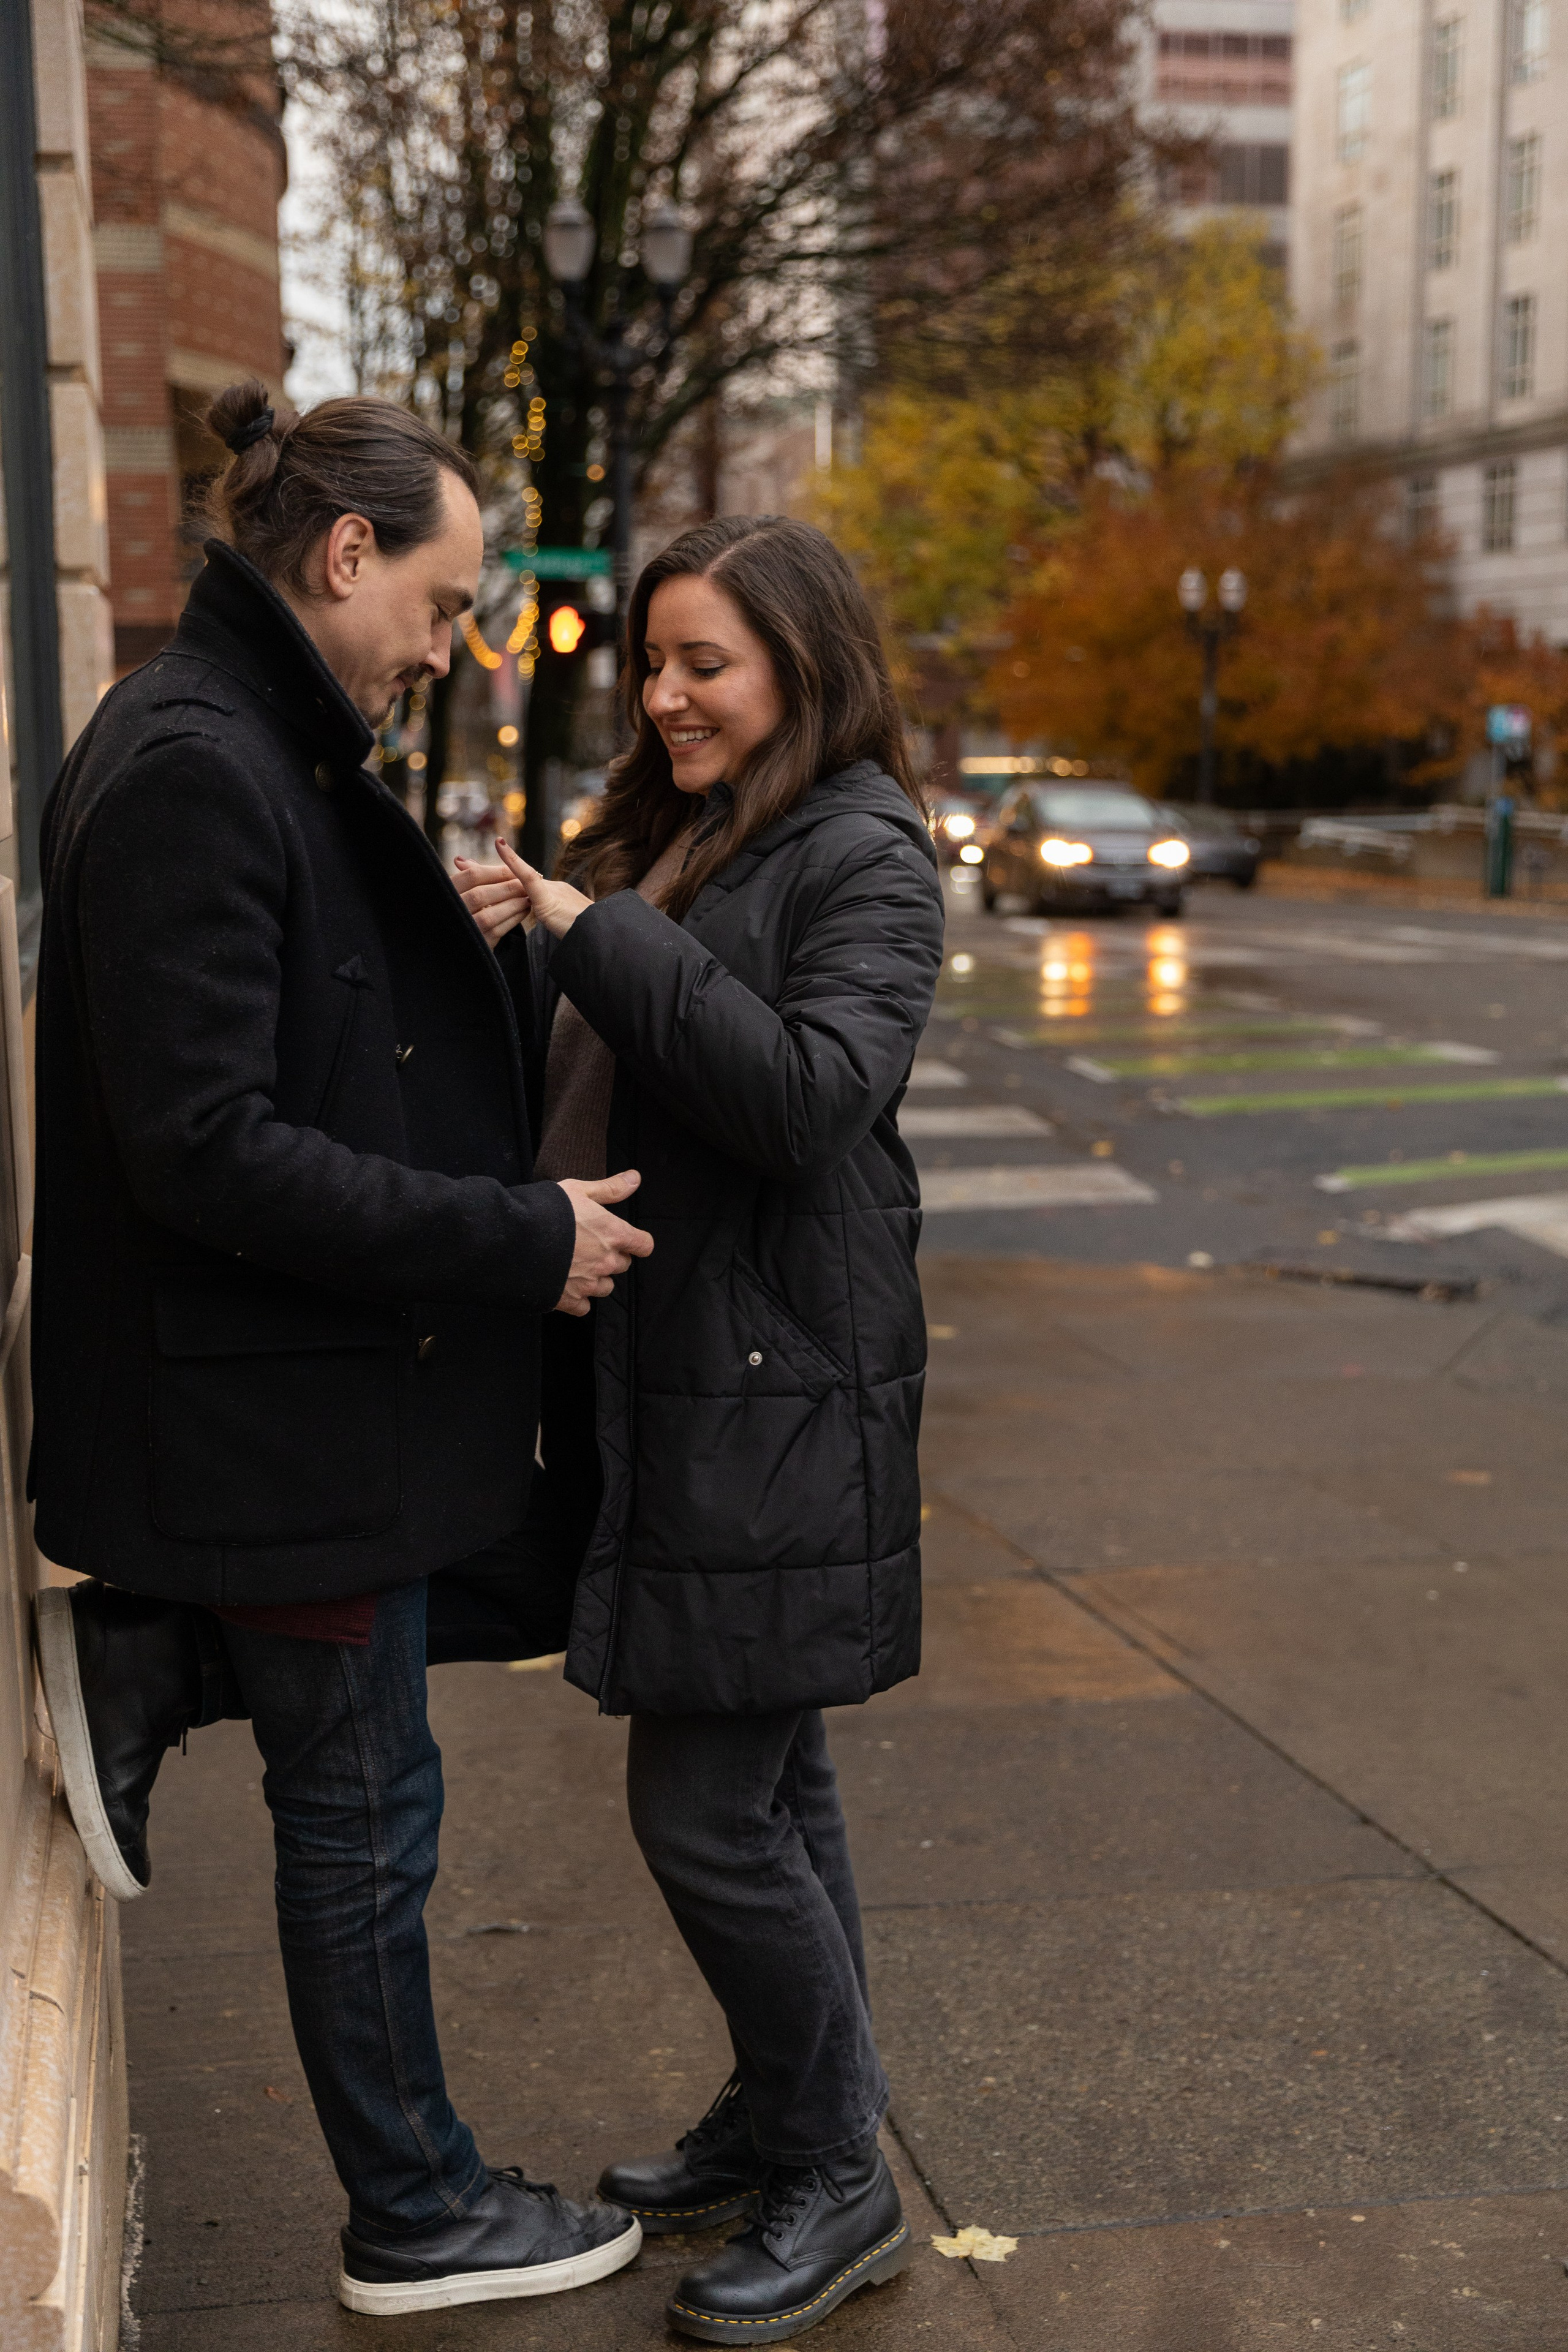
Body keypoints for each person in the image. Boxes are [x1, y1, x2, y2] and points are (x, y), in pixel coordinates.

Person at [31, 380, 652, 2315]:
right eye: (442, 603)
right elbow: (209, 1147)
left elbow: (294, 1034)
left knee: (530, 1583)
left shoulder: (239, 741)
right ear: (346, 554)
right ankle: (420, 2210)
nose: (448, 644)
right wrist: (516, 1238)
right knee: (370, 1820)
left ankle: (158, 1644)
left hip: (305, 1405)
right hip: (279, 1413)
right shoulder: (200, 765)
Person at [454, 513, 946, 2343]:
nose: (662, 695)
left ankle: (841, 2173)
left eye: (704, 665)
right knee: (769, 1779)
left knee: (705, 1808)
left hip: (776, 1390)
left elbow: (811, 1098)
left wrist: (601, 939)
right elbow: (594, 1071)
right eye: (653, 661)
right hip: (672, 1377)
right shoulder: (676, 834)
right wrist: (520, 941)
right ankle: (783, 2107)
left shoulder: (869, 852)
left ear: (802, 667)